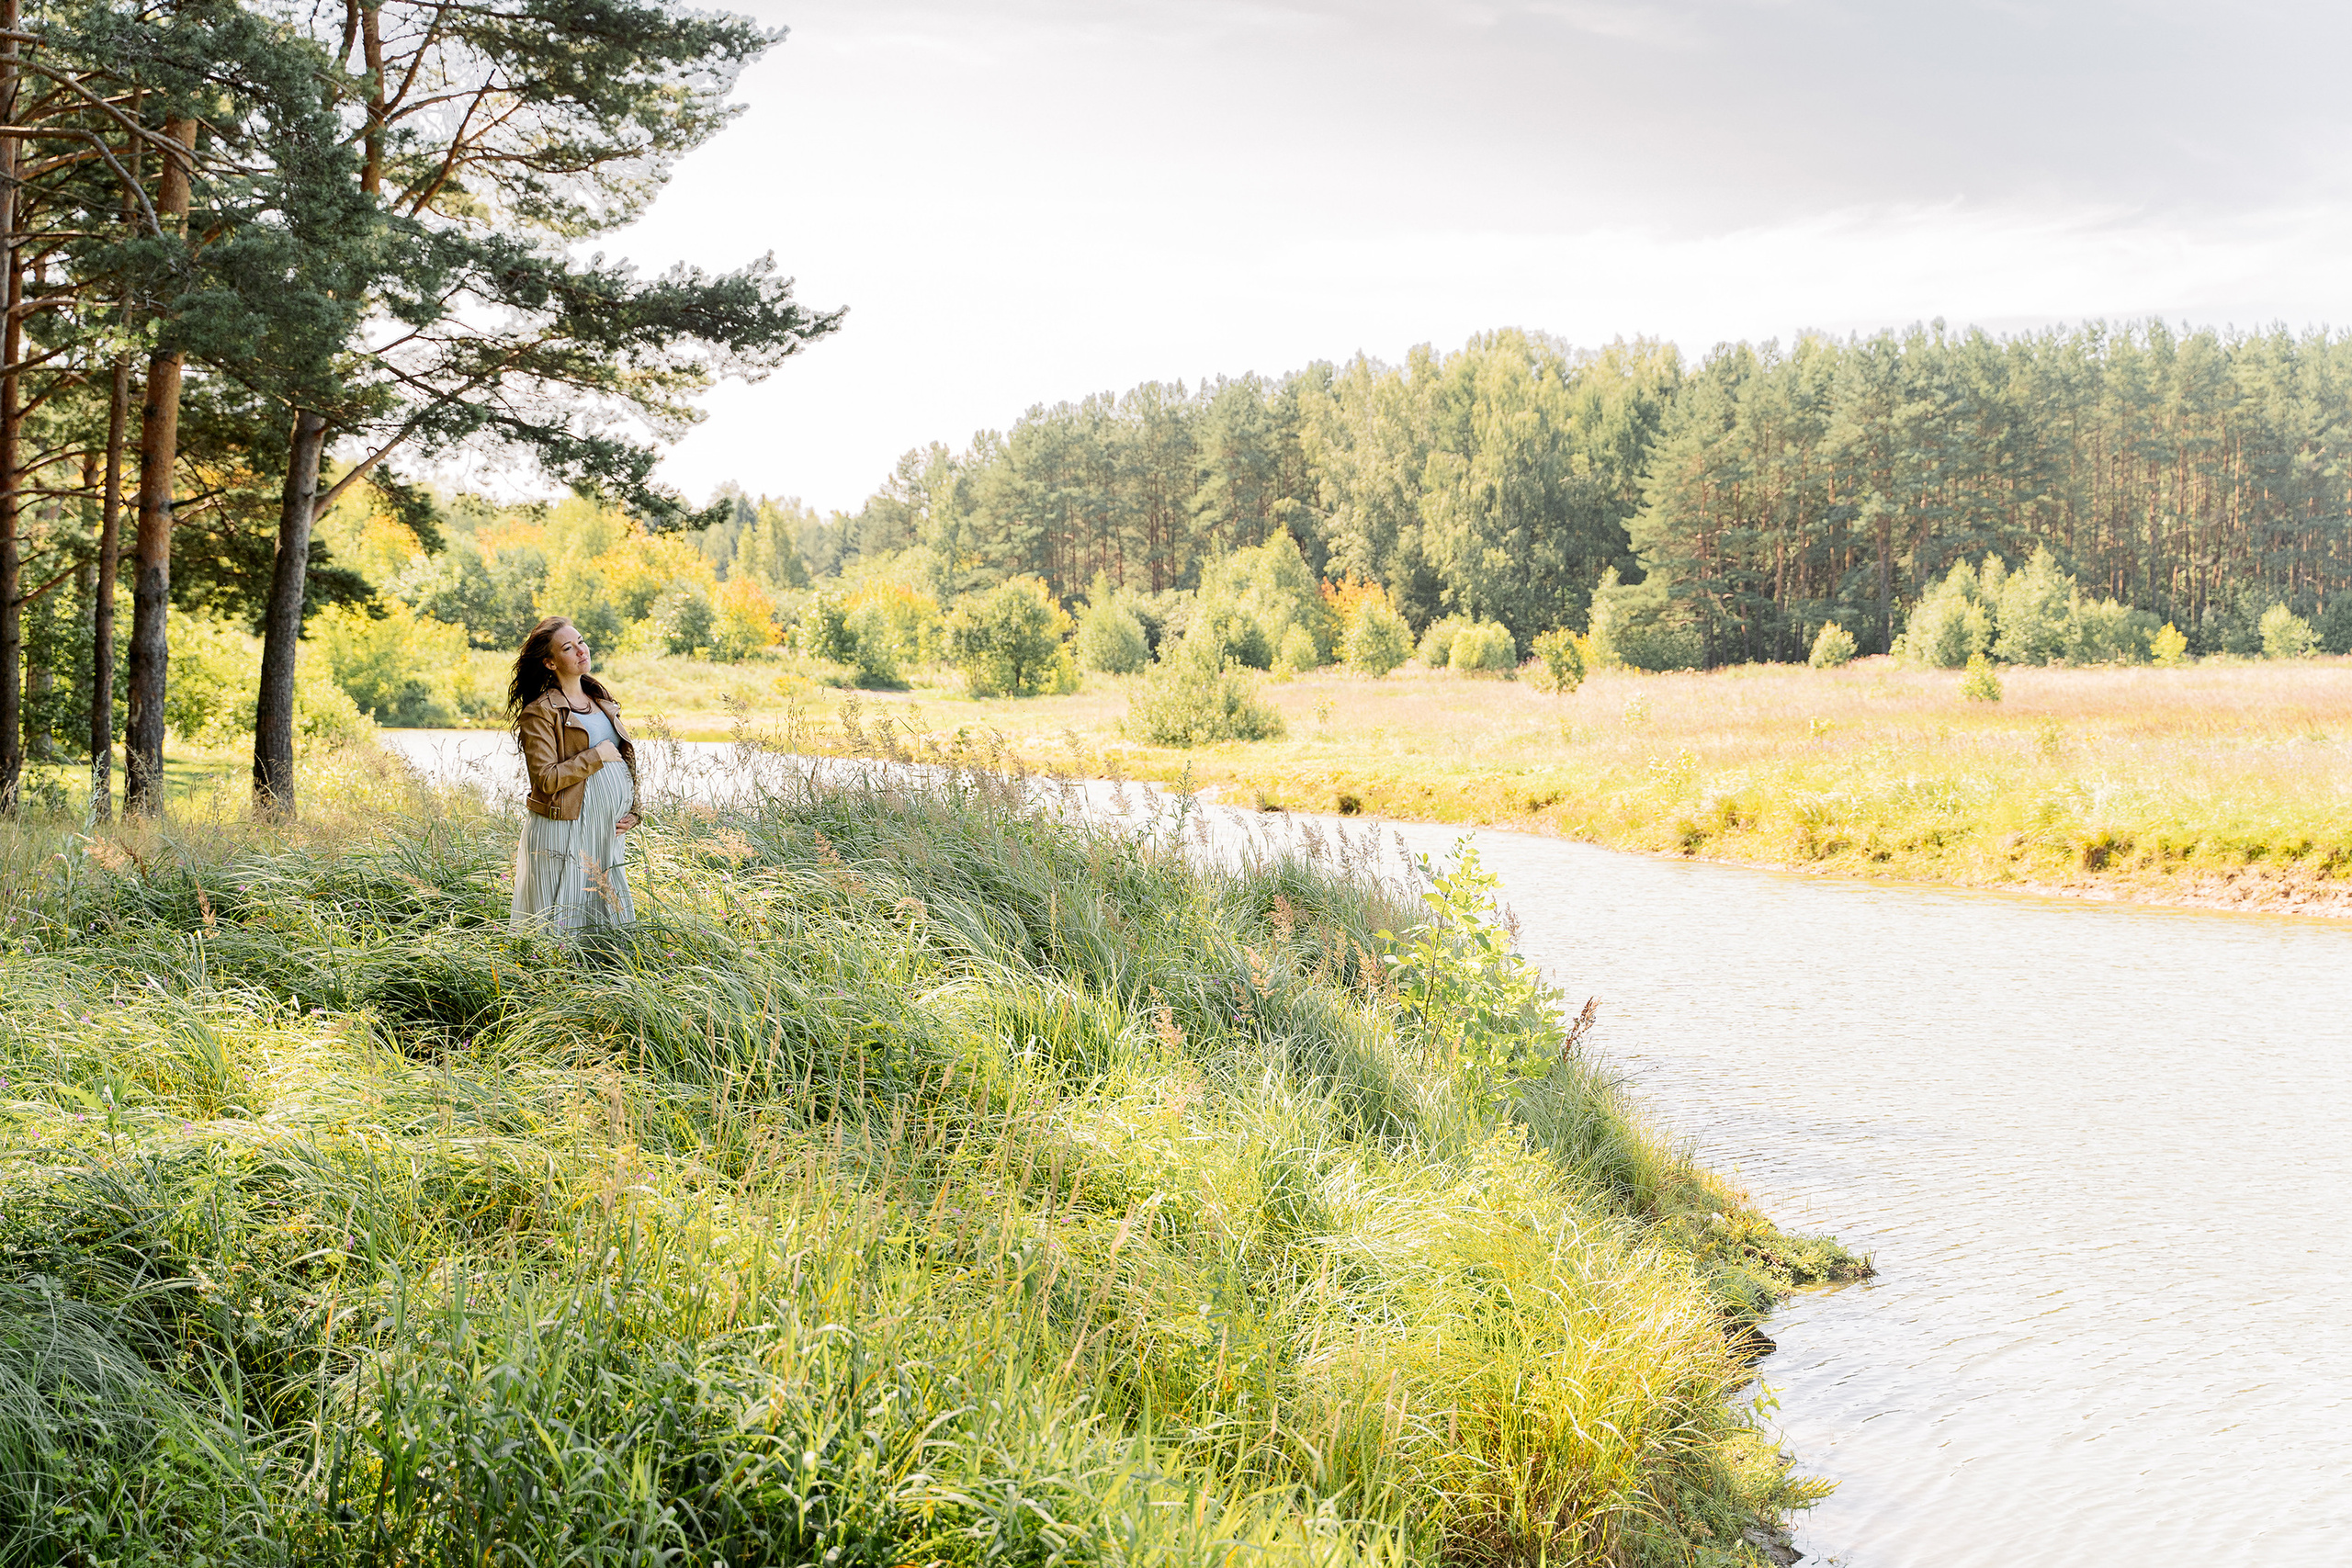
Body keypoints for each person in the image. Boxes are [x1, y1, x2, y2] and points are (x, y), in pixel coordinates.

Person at [507, 616, 640, 931]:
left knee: (607, 912)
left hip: (605, 831)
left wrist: (635, 810)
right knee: (561, 912)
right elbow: (546, 778)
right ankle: (555, 974)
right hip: (564, 827)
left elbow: (626, 761)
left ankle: (610, 976)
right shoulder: (539, 712)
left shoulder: (601, 700)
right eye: (569, 647)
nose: (581, 650)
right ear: (550, 663)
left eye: (580, 641)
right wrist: (594, 756)